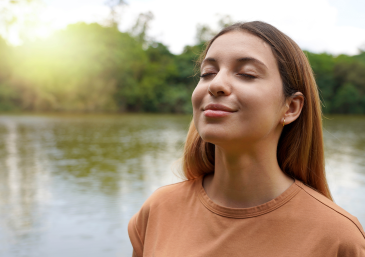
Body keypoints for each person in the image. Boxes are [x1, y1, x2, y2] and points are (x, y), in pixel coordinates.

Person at [128, 21, 365, 257]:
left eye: (246, 74)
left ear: (290, 108)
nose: (216, 84)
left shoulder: (338, 238)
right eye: (208, 73)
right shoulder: (158, 209)